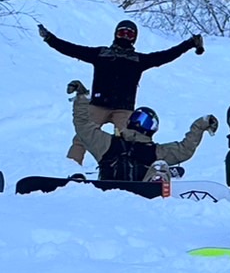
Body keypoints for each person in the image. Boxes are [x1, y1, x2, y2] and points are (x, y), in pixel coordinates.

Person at [38, 19, 205, 165]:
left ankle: (129, 168)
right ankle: (71, 169)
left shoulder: (138, 60)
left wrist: (189, 44)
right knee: (82, 138)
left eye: (130, 34)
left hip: (123, 109)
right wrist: (50, 39)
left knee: (131, 140)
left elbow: (166, 56)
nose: (125, 36)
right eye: (122, 32)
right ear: (115, 34)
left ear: (135, 39)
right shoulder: (101, 54)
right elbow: (72, 49)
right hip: (98, 105)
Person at [68, 79, 219, 182]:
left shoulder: (155, 151)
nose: (141, 124)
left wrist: (200, 126)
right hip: (108, 190)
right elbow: (83, 126)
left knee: (159, 166)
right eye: (139, 119)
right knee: (159, 163)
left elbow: (184, 150)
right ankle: (77, 188)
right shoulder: (108, 143)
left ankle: (157, 181)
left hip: (143, 194)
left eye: (147, 122)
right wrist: (82, 97)